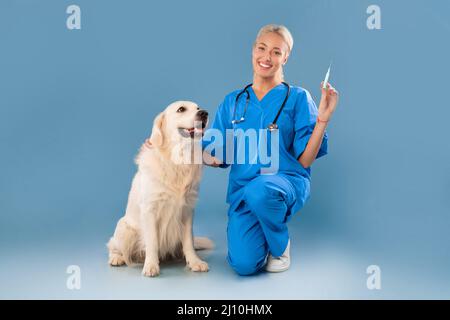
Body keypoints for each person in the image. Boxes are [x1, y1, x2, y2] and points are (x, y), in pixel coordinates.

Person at [146, 24, 339, 276]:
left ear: (286, 57)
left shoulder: (299, 98)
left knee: (261, 189)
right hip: (243, 195)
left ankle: (280, 245)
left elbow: (304, 161)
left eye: (276, 52)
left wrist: (322, 120)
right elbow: (217, 155)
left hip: (286, 182)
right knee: (244, 265)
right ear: (253, 50)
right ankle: (261, 228)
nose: (266, 57)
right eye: (262, 48)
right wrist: (166, 143)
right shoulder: (233, 102)